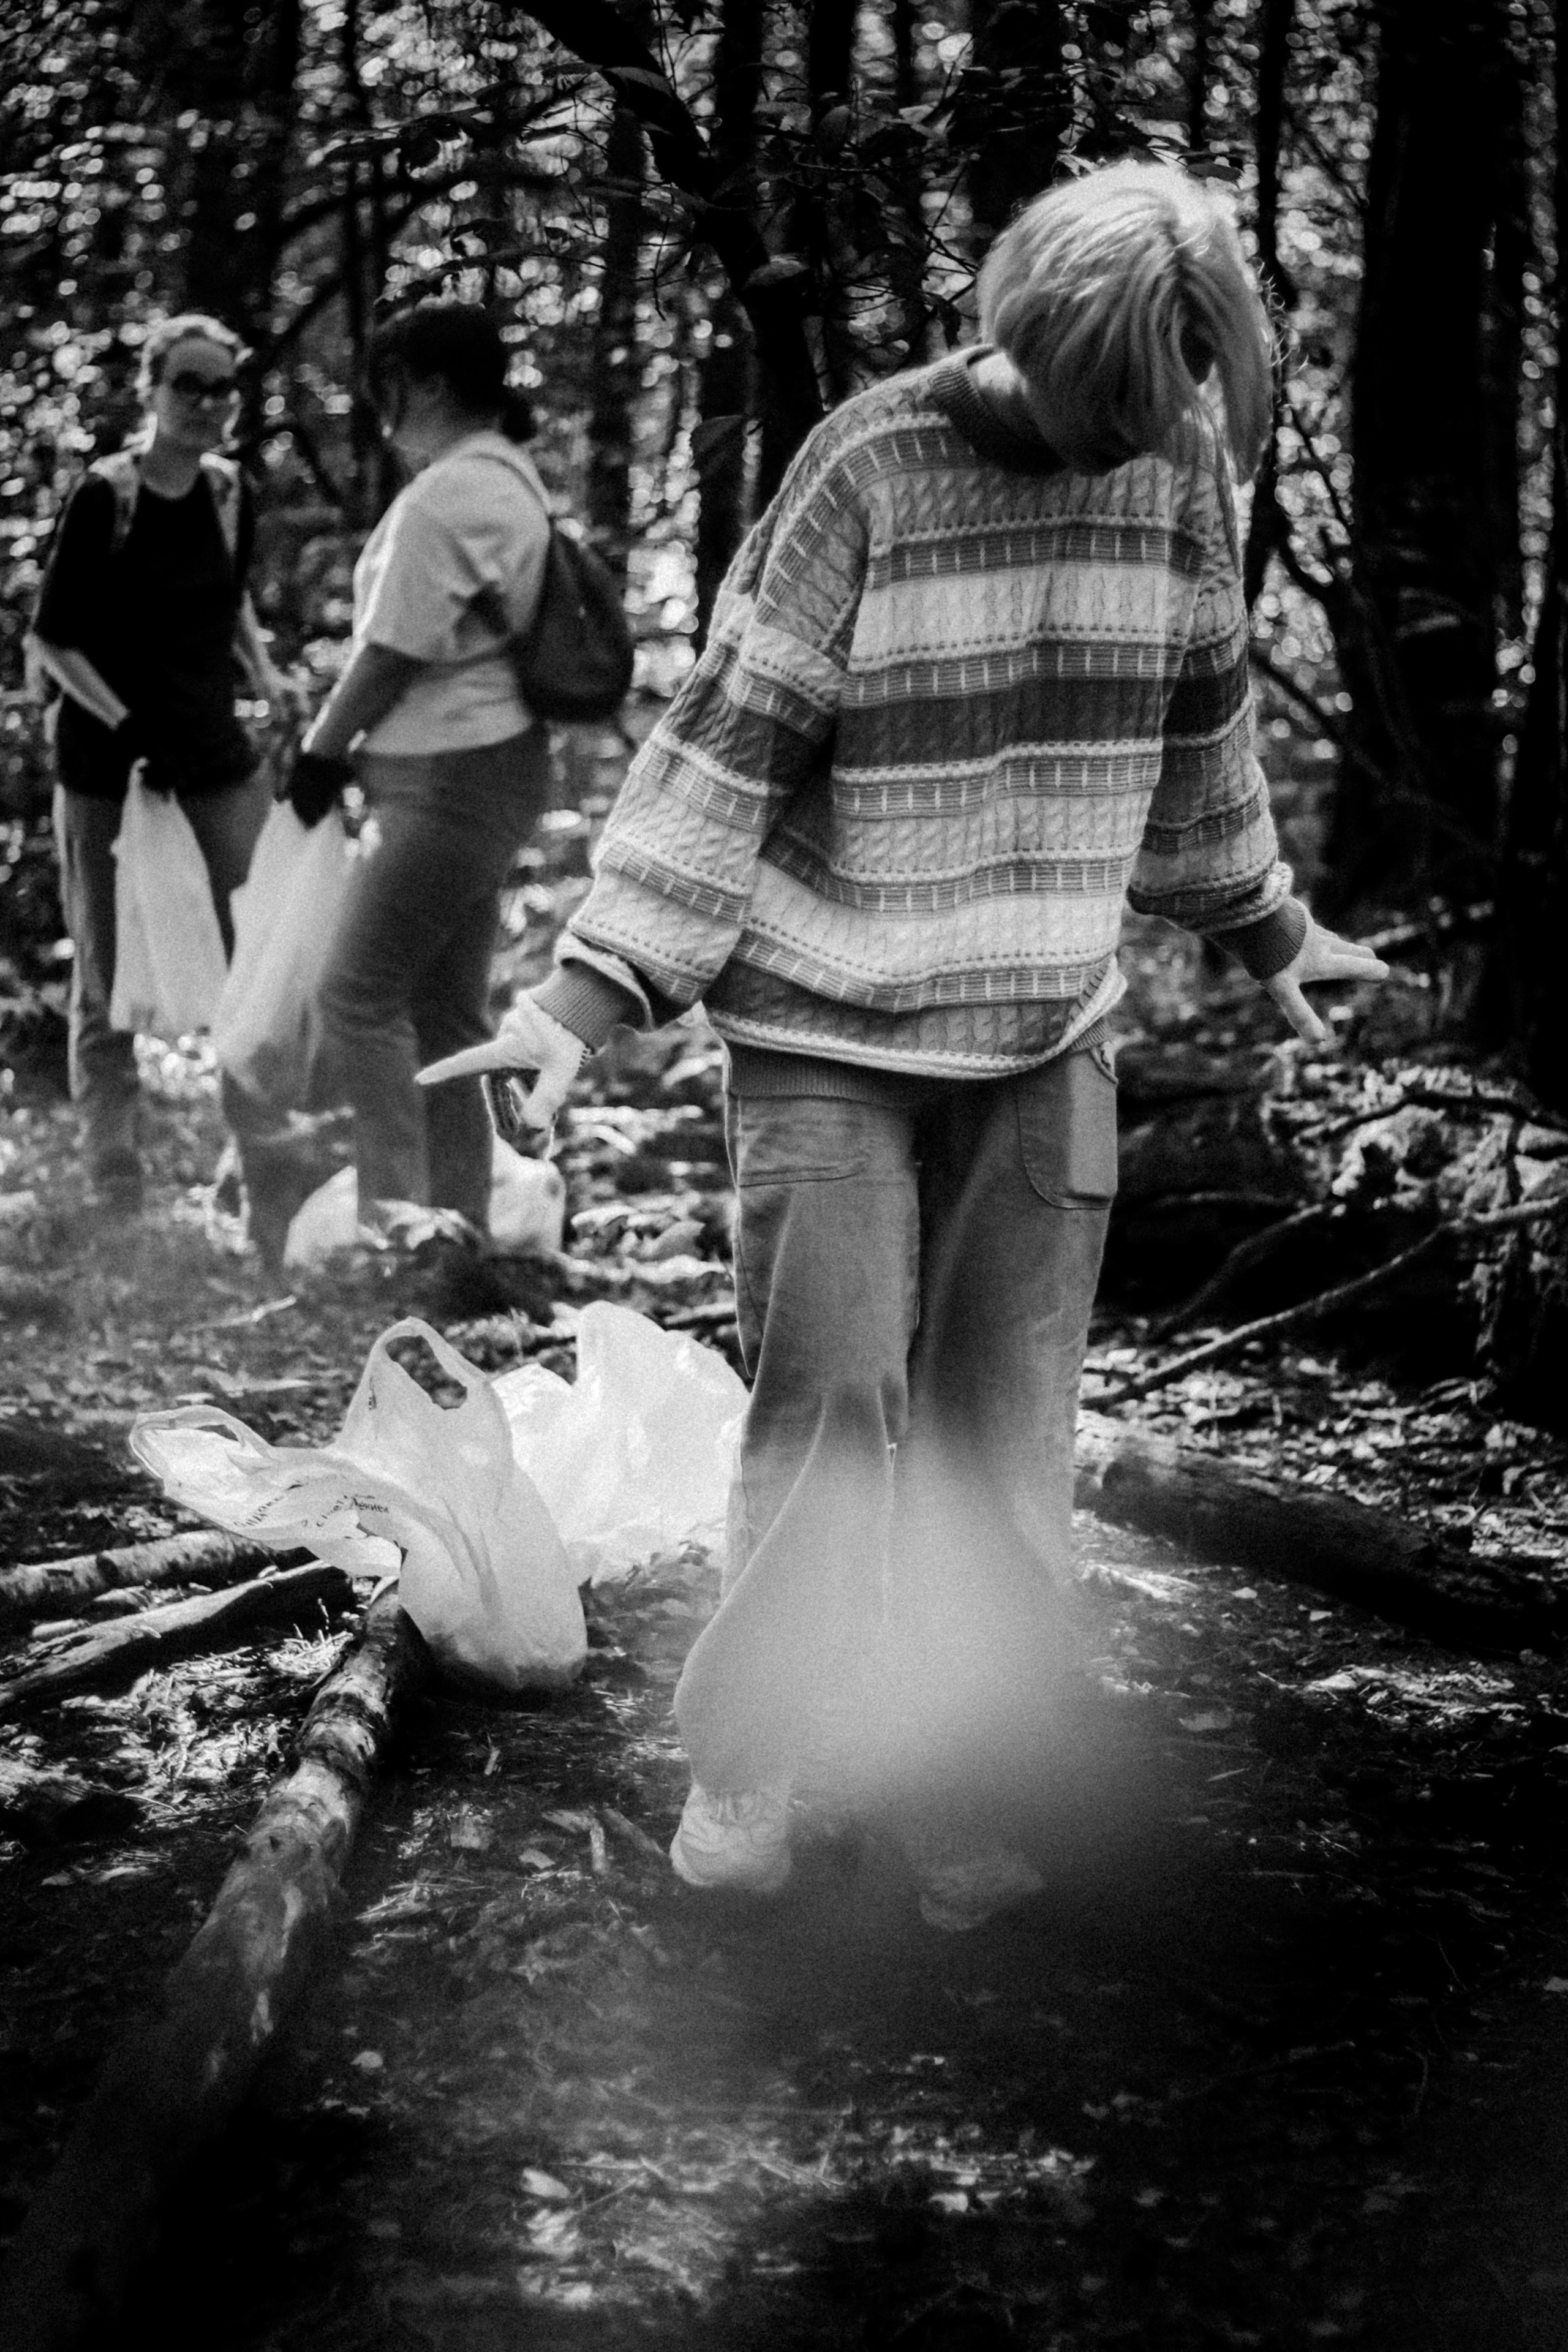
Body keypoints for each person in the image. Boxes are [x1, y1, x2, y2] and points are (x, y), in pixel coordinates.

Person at [424, 159, 1389, 1928]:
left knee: (1003, 1426)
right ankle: (757, 1755)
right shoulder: (869, 463)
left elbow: (1204, 720)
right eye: (1113, 399)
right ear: (1032, 333)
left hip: (1048, 1030)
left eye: (1171, 397)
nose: (1135, 436)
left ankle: (953, 1773)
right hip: (824, 1027)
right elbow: (732, 733)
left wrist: (1265, 923)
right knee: (837, 1397)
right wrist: (587, 993)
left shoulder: (1179, 459)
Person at [285, 301, 553, 1237]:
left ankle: (397, 1231)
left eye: (385, 388)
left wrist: (320, 749)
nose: (379, 411)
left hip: (448, 782)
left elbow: (392, 649)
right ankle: (456, 1239)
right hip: (473, 775)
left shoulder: (452, 495)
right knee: (447, 1014)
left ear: (431, 384)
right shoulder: (501, 477)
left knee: (355, 994)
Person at [28, 312, 293, 1214]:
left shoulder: (227, 494)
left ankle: (258, 1163)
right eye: (188, 384)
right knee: (104, 975)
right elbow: (54, 642)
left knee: (258, 954)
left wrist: (266, 673)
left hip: (215, 759)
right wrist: (130, 728)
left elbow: (232, 603)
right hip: (109, 769)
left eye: (222, 387)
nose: (208, 404)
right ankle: (116, 1178)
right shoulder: (108, 495)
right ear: (151, 390)